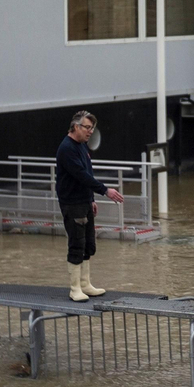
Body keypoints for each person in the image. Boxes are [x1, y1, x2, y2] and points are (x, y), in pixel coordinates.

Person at [55, 110, 125, 302]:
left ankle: (85, 284)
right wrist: (105, 190)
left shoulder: (82, 146)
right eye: (87, 127)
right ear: (76, 126)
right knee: (76, 244)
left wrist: (91, 199)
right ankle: (75, 288)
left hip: (84, 201)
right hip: (72, 203)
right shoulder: (67, 148)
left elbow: (87, 173)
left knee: (88, 244)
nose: (90, 132)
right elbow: (80, 175)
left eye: (92, 128)